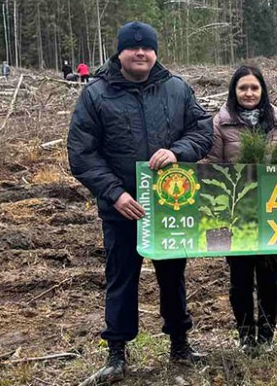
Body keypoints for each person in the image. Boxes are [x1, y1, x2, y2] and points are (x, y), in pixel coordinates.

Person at [68, 21, 214, 384]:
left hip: (170, 205)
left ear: (155, 52)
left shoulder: (177, 89)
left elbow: (202, 131)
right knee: (120, 278)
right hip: (121, 209)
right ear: (120, 52)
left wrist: (178, 151)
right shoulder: (96, 94)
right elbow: (81, 153)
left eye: (147, 48)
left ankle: (180, 344)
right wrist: (115, 194)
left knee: (173, 277)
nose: (140, 53)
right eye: (133, 48)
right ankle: (116, 354)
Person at [206, 65, 277, 354]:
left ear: (262, 90)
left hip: (272, 212)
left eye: (254, 88)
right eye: (243, 88)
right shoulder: (221, 122)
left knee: (270, 279)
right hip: (234, 212)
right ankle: (245, 336)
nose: (249, 93)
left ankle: (266, 336)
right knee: (239, 279)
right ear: (234, 91)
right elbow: (211, 164)